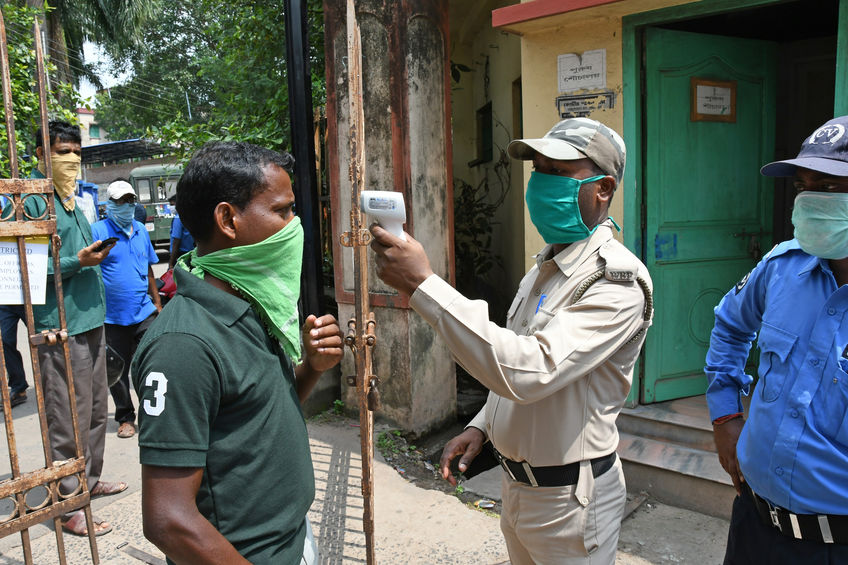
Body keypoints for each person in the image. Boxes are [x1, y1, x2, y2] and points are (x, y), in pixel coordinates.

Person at [370, 117, 653, 564]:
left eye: (558, 173)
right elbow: (514, 359)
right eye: (538, 170)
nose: (541, 183)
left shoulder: (615, 283)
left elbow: (529, 371)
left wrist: (424, 284)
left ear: (603, 189)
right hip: (518, 488)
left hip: (570, 504)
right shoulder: (545, 268)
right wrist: (482, 426)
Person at [132, 141, 343, 563]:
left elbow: (255, 415)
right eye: (282, 211)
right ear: (228, 219)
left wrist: (312, 369)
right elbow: (167, 518)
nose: (295, 224)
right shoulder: (183, 346)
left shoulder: (250, 305)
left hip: (291, 540)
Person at [705, 115, 848, 564]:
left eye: (827, 188)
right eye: (802, 187)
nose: (808, 202)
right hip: (753, 525)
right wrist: (725, 413)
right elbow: (730, 326)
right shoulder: (781, 267)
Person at [27, 121, 127, 537]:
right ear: (39, 155)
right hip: (59, 326)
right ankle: (68, 504)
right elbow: (27, 273)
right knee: (65, 417)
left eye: (75, 153)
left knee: (93, 413)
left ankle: (88, 480)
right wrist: (77, 263)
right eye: (62, 151)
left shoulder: (72, 199)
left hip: (90, 320)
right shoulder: (31, 202)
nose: (70, 160)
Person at [91, 180, 162, 439]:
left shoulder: (141, 230)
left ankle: (152, 413)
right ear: (109, 204)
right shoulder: (98, 231)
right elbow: (90, 269)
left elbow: (149, 269)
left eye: (130, 200)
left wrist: (157, 303)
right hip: (112, 315)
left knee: (151, 363)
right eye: (121, 201)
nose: (127, 206)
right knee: (117, 369)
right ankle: (125, 417)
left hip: (144, 312)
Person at [0, 304, 28, 410]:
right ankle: (18, 388)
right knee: (5, 342)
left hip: (32, 297)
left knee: (42, 340)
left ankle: (53, 386)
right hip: (6, 298)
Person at [168, 196, 194, 269]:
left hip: (180, 255)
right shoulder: (189, 217)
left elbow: (176, 241)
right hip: (191, 254)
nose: (171, 207)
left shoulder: (178, 218)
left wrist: (171, 263)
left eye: (172, 205)